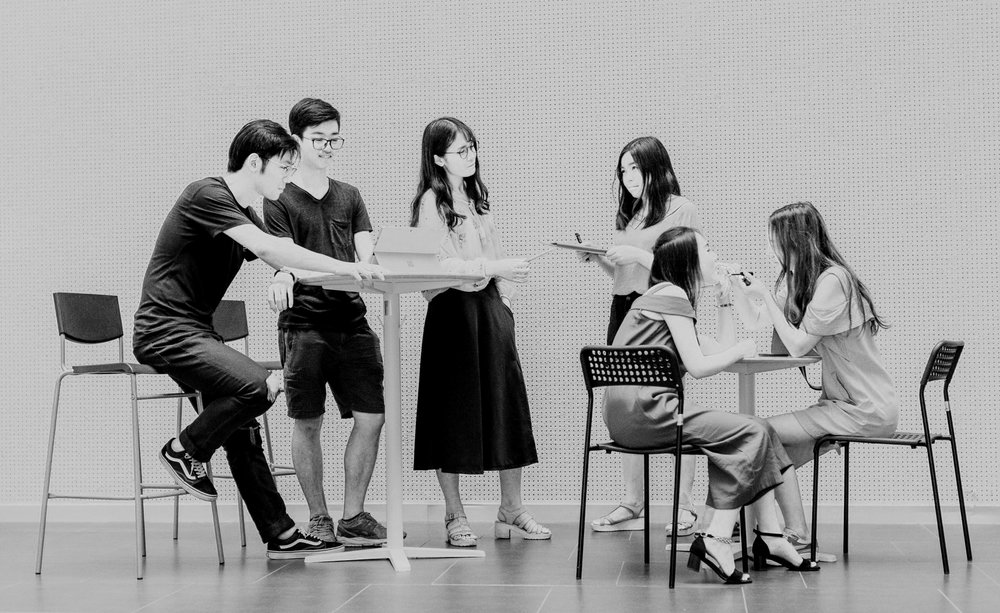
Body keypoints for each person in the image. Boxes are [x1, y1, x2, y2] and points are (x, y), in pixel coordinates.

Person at [133, 119, 384, 559]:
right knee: (261, 385)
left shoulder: (244, 213)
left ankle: (281, 533)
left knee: (242, 429)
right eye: (284, 169)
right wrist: (346, 267)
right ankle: (183, 450)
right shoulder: (206, 195)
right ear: (255, 163)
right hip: (165, 329)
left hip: (196, 331)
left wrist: (309, 270)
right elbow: (271, 249)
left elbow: (287, 259)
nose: (288, 179)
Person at [603, 226, 820, 583]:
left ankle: (771, 537)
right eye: (708, 248)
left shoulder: (660, 296)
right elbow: (703, 367)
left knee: (757, 430)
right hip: (649, 414)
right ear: (688, 260)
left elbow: (717, 346)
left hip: (628, 416)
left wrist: (723, 300)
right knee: (750, 431)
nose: (715, 255)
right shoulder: (672, 295)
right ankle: (716, 538)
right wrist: (743, 349)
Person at [409, 117, 550, 547]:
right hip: (452, 314)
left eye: (472, 147)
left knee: (506, 407)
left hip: (489, 310)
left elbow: (496, 256)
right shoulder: (431, 203)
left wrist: (505, 299)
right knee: (451, 413)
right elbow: (435, 267)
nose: (470, 156)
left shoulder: (477, 197)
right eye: (459, 150)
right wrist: (492, 269)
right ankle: (455, 515)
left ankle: (511, 509)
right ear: (437, 158)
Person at [264, 98, 391, 547]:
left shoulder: (350, 195)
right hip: (304, 326)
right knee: (308, 421)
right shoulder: (279, 199)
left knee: (372, 416)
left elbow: (364, 257)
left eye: (335, 138)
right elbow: (285, 257)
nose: (329, 147)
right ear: (296, 140)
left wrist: (378, 256)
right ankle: (318, 518)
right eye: (319, 139)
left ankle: (353, 515)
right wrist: (286, 272)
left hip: (352, 322)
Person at [737, 201, 898, 553]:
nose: (770, 248)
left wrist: (767, 294)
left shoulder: (833, 280)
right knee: (766, 451)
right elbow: (780, 346)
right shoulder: (810, 282)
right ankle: (769, 531)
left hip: (863, 409)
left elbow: (796, 349)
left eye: (774, 239)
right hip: (843, 405)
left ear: (794, 240)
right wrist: (762, 297)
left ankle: (783, 532)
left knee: (759, 432)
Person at [582, 137, 702, 536]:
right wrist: (600, 258)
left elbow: (683, 268)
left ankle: (684, 508)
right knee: (628, 403)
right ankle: (633, 502)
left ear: (656, 166)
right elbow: (624, 276)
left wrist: (636, 256)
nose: (627, 177)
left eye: (634, 167)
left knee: (670, 404)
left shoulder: (680, 209)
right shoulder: (630, 215)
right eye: (622, 170)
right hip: (625, 309)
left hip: (665, 308)